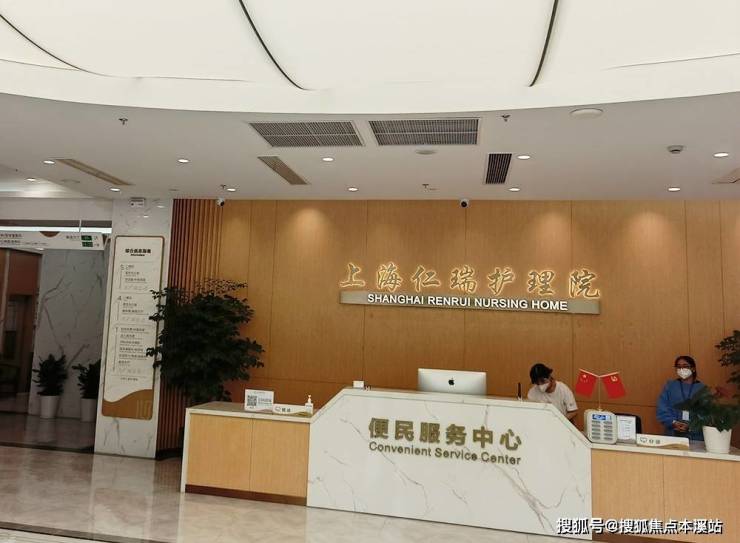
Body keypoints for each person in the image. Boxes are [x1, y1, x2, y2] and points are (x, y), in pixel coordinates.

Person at [656, 355, 706, 440]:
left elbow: (705, 413)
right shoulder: (670, 386)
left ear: (693, 369)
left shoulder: (702, 389)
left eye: (685, 366)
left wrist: (691, 426)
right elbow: (662, 407)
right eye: (679, 367)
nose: (682, 369)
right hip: (672, 434)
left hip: (696, 436)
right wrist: (674, 422)